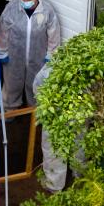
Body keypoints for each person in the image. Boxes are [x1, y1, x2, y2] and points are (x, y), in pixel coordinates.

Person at [0, 0, 61, 111]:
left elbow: (54, 33)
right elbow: (2, 31)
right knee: (11, 84)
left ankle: (35, 112)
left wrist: (51, 54)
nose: (25, 2)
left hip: (38, 57)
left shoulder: (47, 11)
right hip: (14, 56)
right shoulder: (12, 9)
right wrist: (2, 51)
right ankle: (9, 111)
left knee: (36, 85)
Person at [31, 63, 68, 193]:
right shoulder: (92, 62)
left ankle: (54, 184)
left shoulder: (52, 68)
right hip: (81, 112)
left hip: (55, 113)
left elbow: (38, 86)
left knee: (53, 146)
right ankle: (79, 175)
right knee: (79, 142)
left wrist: (44, 106)